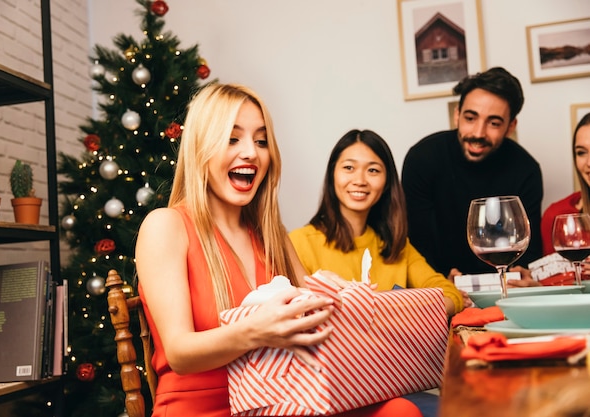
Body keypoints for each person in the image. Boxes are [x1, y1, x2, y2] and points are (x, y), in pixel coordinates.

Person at [135, 84, 422, 417]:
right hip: (201, 409)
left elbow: (311, 319)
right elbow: (179, 353)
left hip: (278, 403)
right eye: (232, 139)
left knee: (400, 410)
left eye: (261, 141)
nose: (251, 153)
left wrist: (333, 294)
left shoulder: (271, 235)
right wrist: (259, 330)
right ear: (200, 148)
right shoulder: (165, 225)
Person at [290, 129, 463, 316]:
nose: (360, 180)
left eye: (373, 170)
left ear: (387, 182)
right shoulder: (298, 243)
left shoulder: (396, 245)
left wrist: (395, 316)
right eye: (349, 168)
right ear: (332, 175)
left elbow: (450, 294)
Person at [401, 67, 543, 287]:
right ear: (457, 114)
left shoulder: (527, 170)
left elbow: (528, 251)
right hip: (439, 288)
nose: (478, 133)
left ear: (510, 126)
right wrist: (439, 282)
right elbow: (416, 244)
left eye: (494, 123)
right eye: (470, 118)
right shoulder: (423, 158)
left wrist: (525, 277)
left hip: (506, 287)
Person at [541, 112, 590, 255]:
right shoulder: (558, 215)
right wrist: (534, 276)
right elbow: (554, 276)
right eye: (581, 152)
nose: (588, 163)